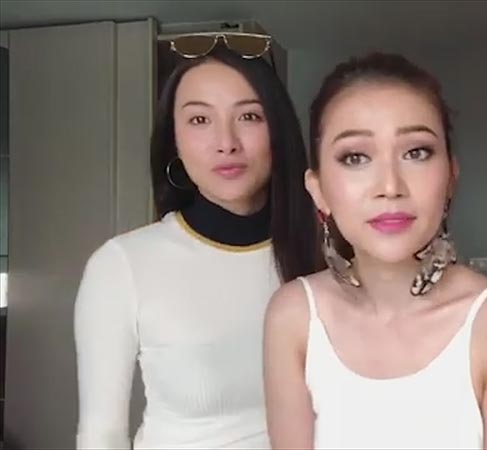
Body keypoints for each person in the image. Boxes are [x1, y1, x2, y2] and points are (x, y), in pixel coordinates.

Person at [263, 53, 487, 449]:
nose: (390, 186)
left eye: (416, 152)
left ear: (450, 177)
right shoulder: (294, 317)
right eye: (355, 157)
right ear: (318, 190)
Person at [74, 38, 319, 449]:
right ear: (174, 139)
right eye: (200, 120)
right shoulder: (122, 264)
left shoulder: (327, 254)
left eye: (249, 116)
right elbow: (102, 435)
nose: (226, 142)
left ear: (278, 131)